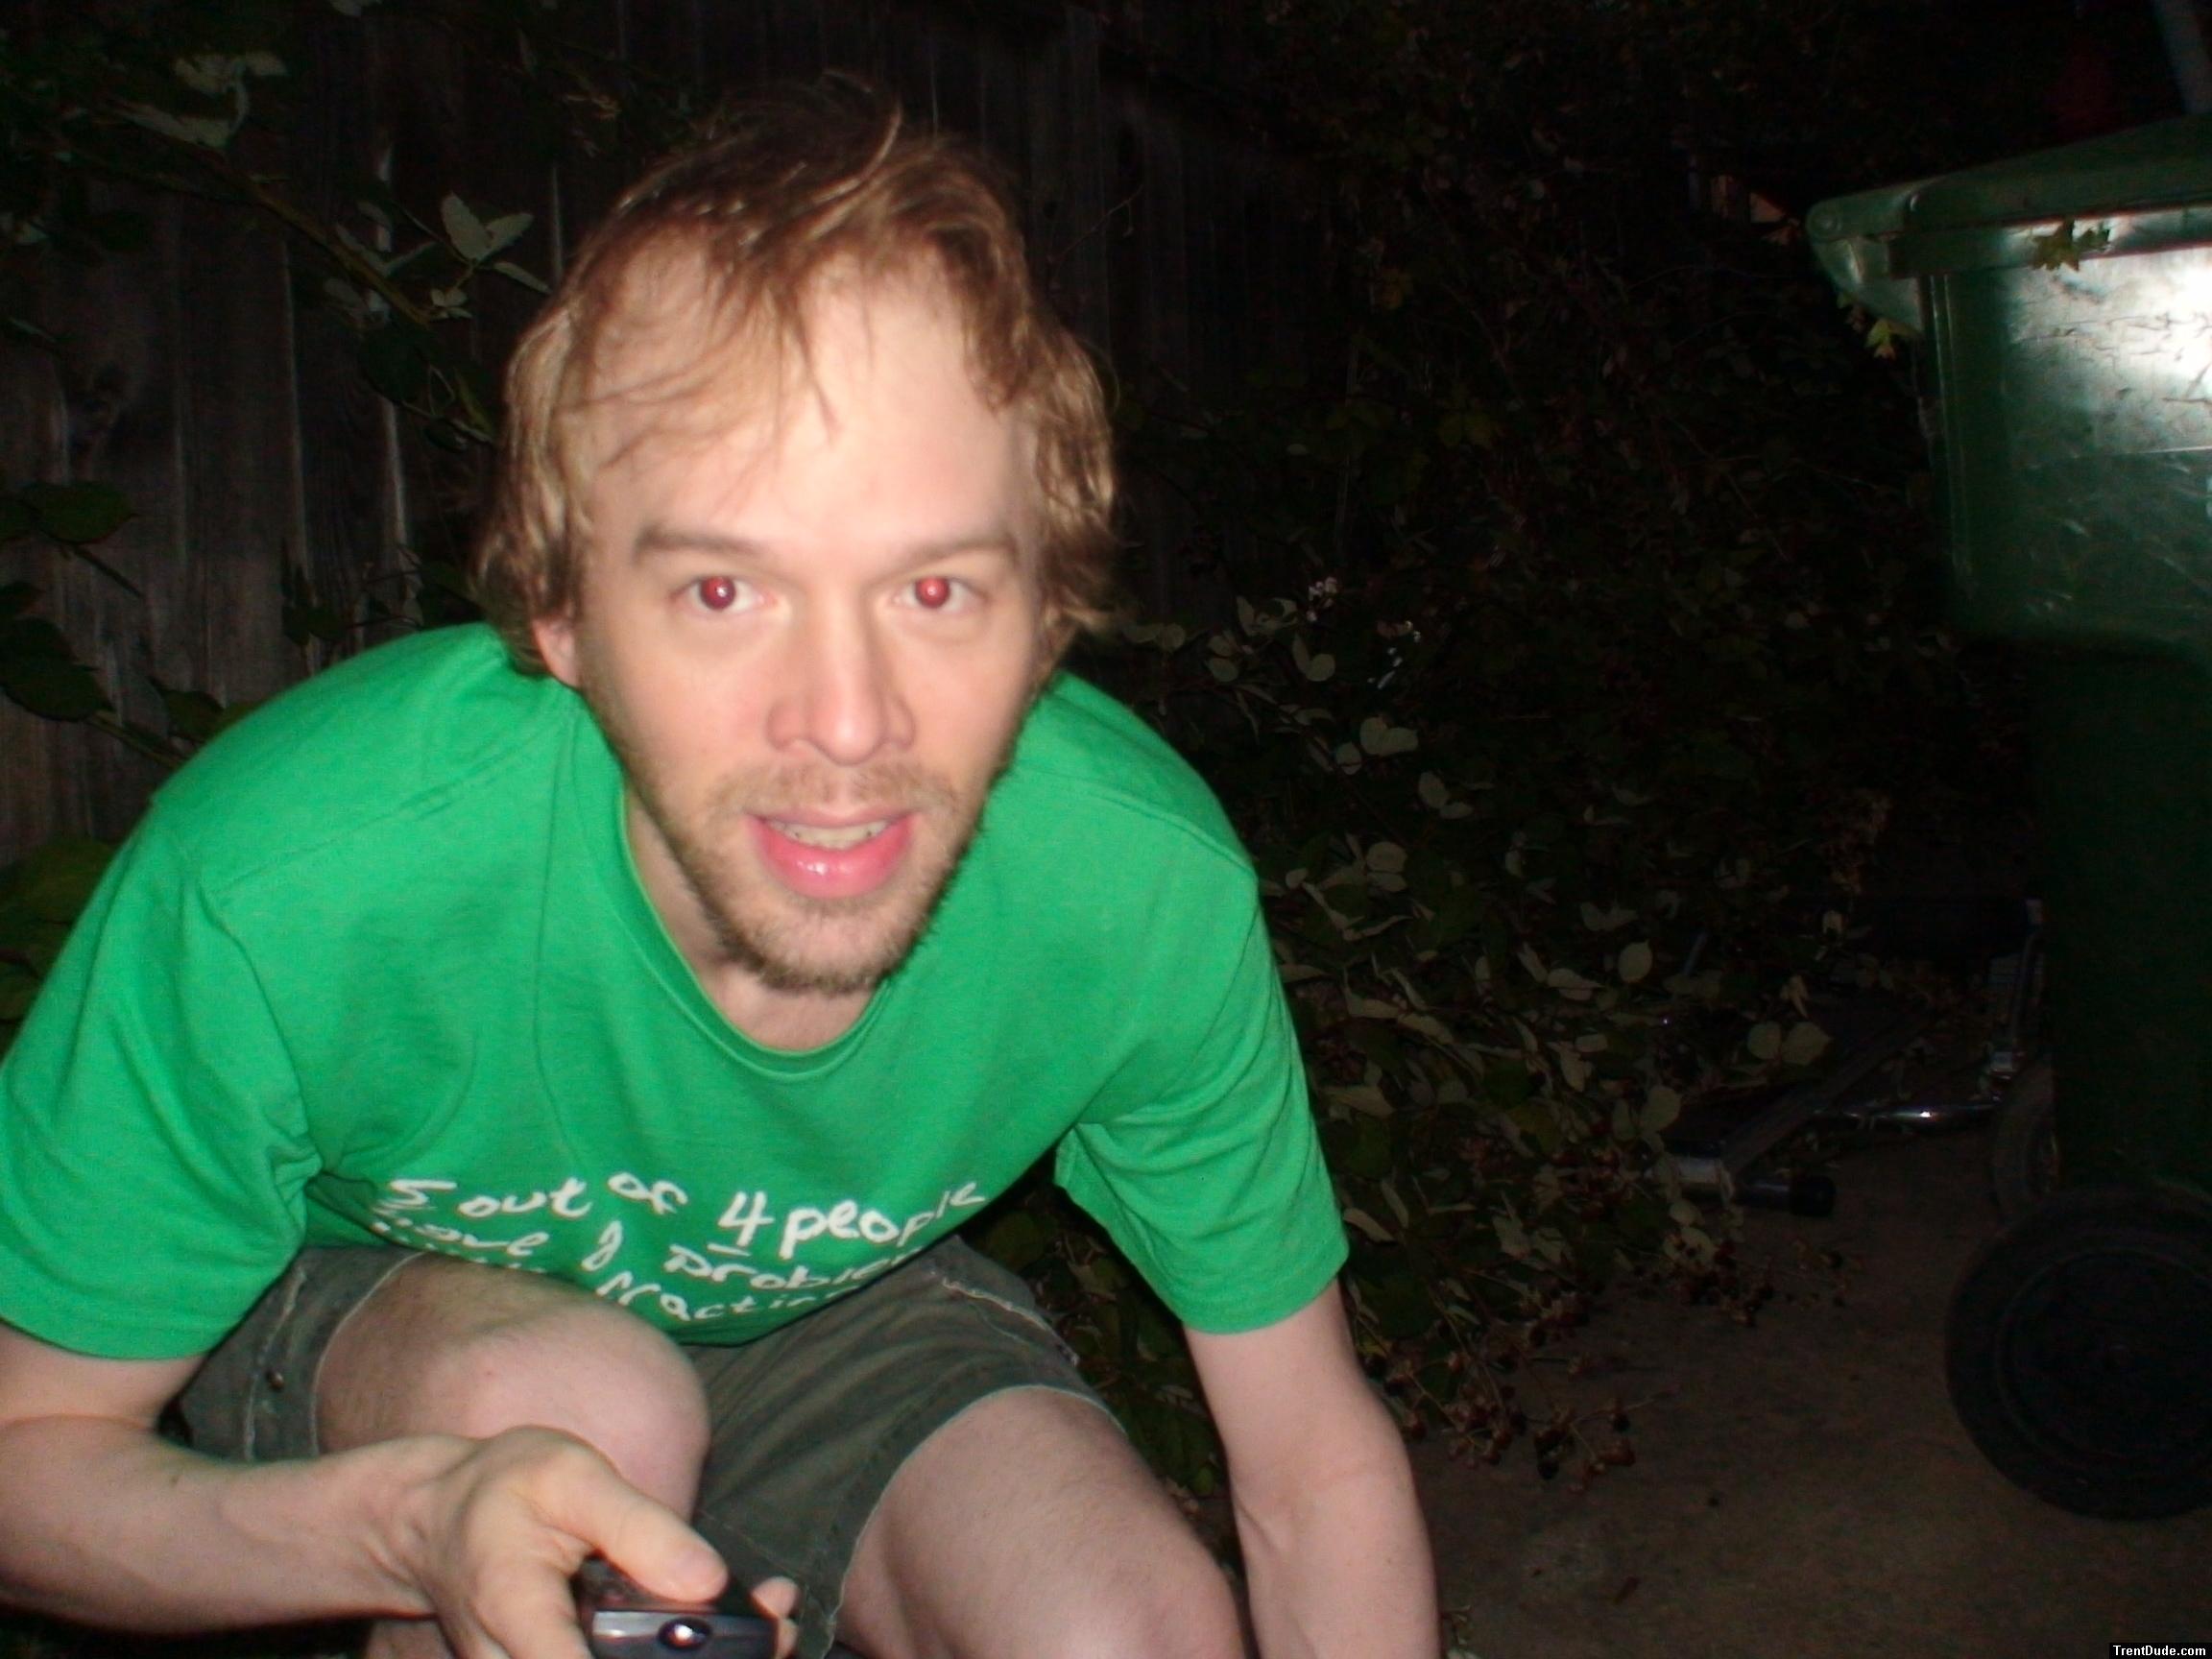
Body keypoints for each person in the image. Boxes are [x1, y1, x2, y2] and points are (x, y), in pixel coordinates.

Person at [0, 80, 1435, 1659]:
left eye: (938, 589)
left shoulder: (1134, 895)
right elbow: (27, 1466)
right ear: (560, 618)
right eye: (722, 593)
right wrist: (414, 1528)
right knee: (571, 1411)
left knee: (1128, 1634)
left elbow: (1308, 1459)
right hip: (389, 1307)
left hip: (827, 1315)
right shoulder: (287, 886)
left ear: (1046, 625)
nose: (845, 723)